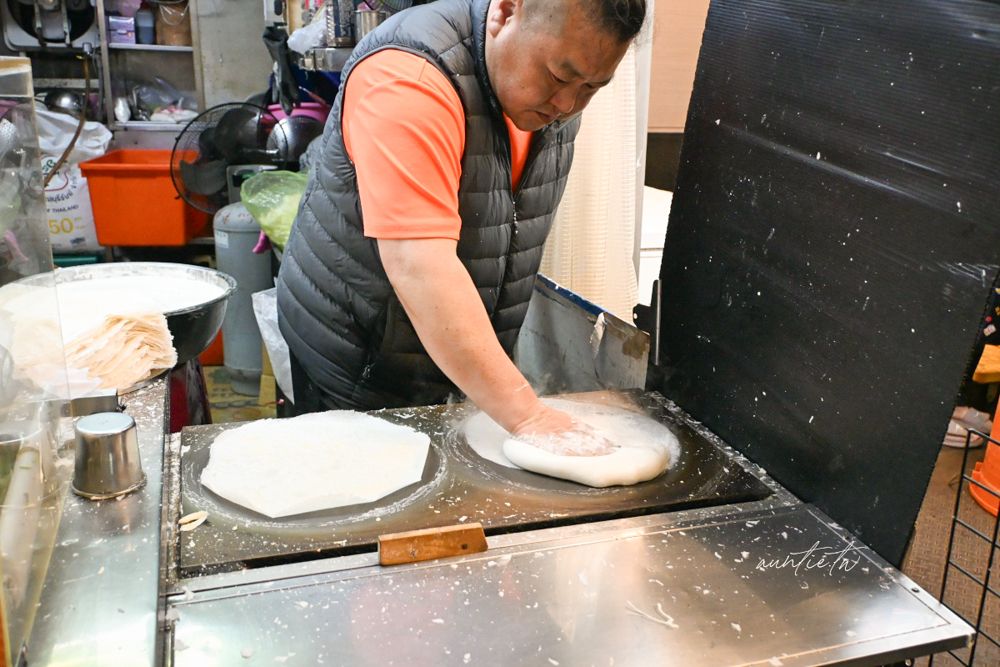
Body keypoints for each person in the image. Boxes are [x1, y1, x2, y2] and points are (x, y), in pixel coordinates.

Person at [276, 0, 646, 443]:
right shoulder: (408, 77)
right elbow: (420, 267)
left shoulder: (552, 95)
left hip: (441, 367)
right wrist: (528, 417)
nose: (568, 104)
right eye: (559, 77)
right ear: (506, 11)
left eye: (592, 86)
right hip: (355, 363)